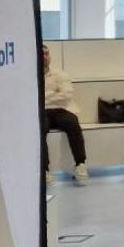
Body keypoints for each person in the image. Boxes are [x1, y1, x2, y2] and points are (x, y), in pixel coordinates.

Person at [41, 44, 88, 186]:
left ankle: (80, 164)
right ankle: (45, 169)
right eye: (41, 54)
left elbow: (66, 95)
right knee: (39, 128)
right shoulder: (30, 76)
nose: (45, 57)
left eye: (47, 54)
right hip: (42, 111)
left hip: (62, 109)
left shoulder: (61, 74)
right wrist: (53, 93)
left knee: (73, 123)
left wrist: (45, 96)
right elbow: (30, 97)